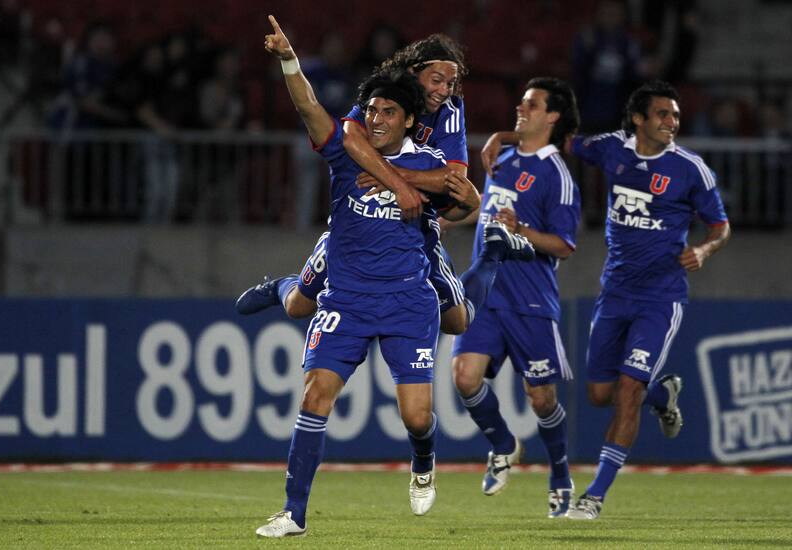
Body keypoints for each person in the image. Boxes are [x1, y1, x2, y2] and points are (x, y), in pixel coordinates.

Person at [254, 16, 527, 539]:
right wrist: (289, 58)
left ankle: (423, 460)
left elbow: (467, 197)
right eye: (372, 111)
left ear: (408, 122)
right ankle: (293, 513)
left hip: (407, 298)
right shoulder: (346, 144)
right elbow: (309, 106)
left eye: (388, 113)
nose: (376, 119)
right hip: (347, 297)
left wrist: (413, 187)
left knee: (418, 415)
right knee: (315, 396)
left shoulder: (432, 151)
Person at [237, 33, 534, 335]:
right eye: (436, 80)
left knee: (457, 323)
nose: (444, 90)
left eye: (450, 83)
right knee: (298, 306)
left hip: (413, 234)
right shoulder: (383, 96)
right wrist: (289, 61)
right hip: (354, 235)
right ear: (413, 72)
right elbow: (347, 136)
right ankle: (280, 287)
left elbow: (454, 181)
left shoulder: (450, 111)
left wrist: (397, 181)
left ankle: (491, 253)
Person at [560, 81, 730, 519]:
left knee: (628, 390)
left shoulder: (691, 169)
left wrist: (705, 250)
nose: (672, 123)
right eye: (662, 115)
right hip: (615, 292)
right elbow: (565, 141)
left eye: (675, 116)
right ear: (638, 119)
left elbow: (720, 225)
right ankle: (663, 394)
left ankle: (594, 495)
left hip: (661, 296)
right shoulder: (612, 149)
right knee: (601, 394)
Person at [450, 77, 581, 518]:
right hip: (487, 295)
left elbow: (565, 245)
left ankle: (560, 473)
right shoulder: (502, 158)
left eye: (532, 104)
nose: (521, 109)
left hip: (529, 300)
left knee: (541, 399)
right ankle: (504, 445)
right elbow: (484, 211)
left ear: (553, 116)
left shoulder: (557, 175)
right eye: (522, 102)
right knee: (464, 377)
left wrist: (521, 230)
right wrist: (445, 221)